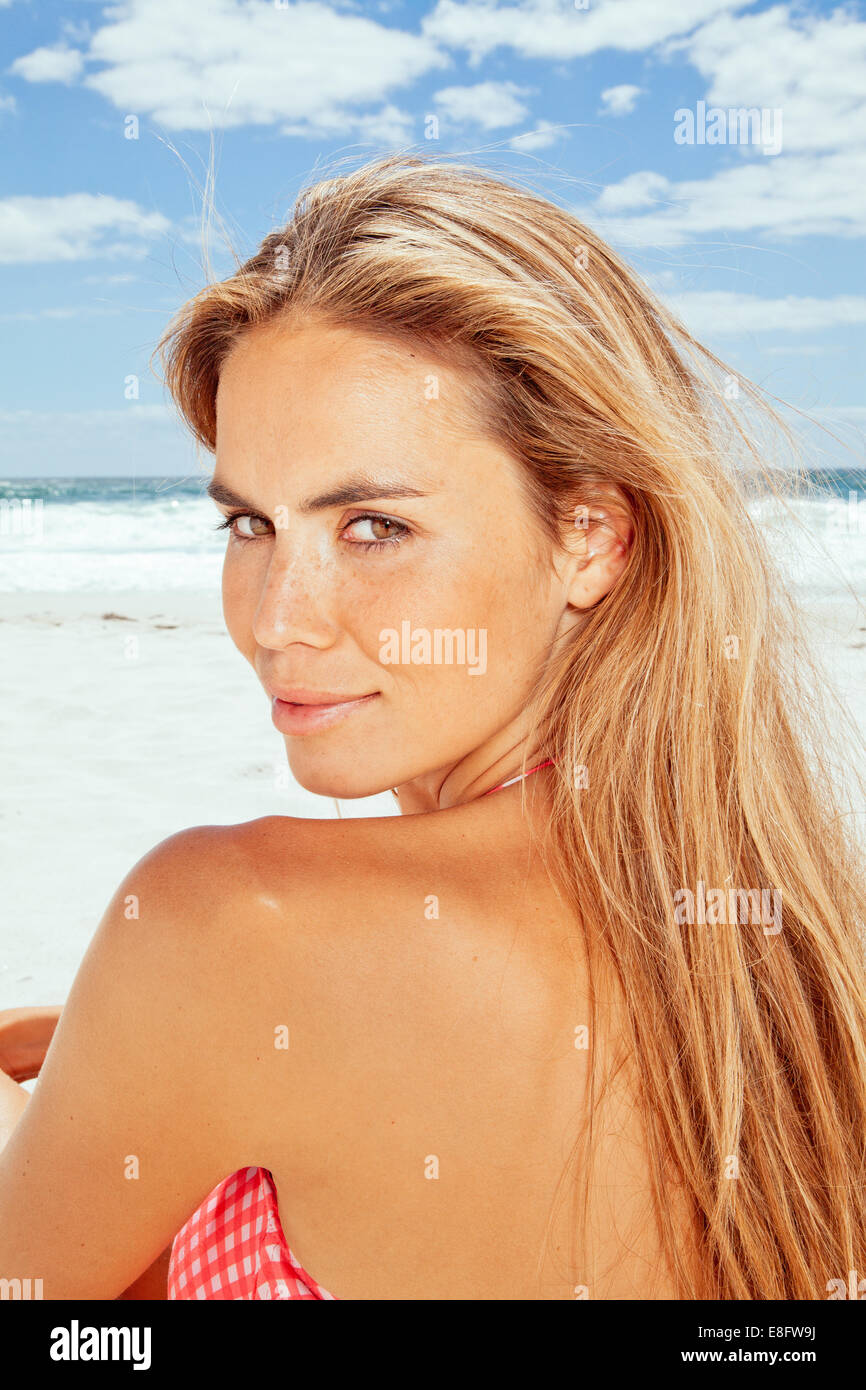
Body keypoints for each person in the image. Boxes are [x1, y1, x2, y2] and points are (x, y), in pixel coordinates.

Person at [1, 153, 864, 1300]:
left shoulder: (230, 926)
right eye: (251, 524)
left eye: (372, 526)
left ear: (590, 539)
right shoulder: (786, 939)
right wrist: (117, 1047)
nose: (277, 622)